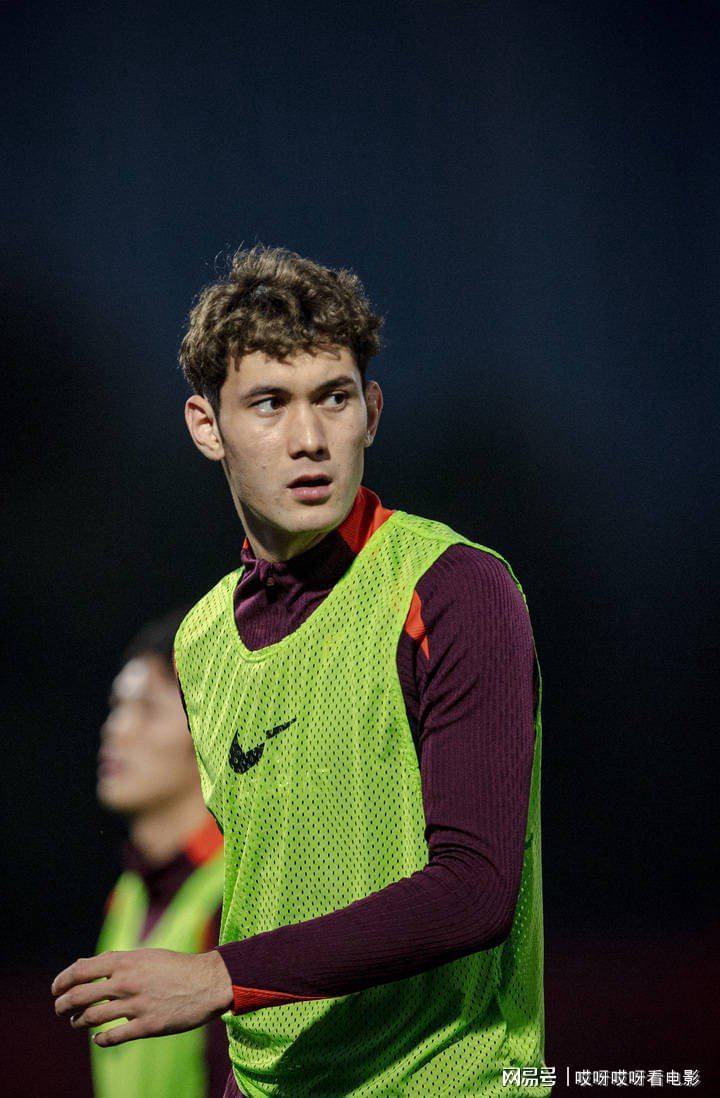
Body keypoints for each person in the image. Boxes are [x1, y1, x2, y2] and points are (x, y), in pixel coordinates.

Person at [53, 244, 549, 1097]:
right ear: (206, 427)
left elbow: (475, 892)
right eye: (269, 403)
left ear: (372, 412)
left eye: (334, 397)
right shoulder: (201, 638)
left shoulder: (452, 586)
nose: (310, 438)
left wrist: (218, 975)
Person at [90, 611, 230, 1098]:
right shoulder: (128, 895)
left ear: (208, 728)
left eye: (147, 709)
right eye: (117, 706)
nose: (116, 728)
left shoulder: (240, 889)